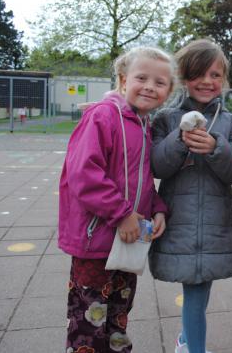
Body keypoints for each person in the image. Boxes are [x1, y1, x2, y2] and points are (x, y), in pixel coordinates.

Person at [58, 46, 173, 353]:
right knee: (89, 320)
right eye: (141, 77)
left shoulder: (144, 124)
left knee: (118, 316)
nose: (150, 86)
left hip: (129, 241)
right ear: (123, 80)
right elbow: (84, 173)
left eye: (160, 82)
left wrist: (158, 209)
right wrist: (122, 214)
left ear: (169, 91)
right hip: (96, 239)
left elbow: (142, 180)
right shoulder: (103, 116)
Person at [149, 39, 232, 353]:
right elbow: (157, 166)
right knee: (194, 291)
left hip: (216, 224)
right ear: (184, 76)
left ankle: (186, 338)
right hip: (179, 221)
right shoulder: (166, 119)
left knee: (199, 289)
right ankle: (193, 346)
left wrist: (216, 148)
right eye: (199, 74)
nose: (208, 81)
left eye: (216, 75)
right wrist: (179, 139)